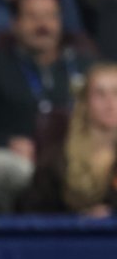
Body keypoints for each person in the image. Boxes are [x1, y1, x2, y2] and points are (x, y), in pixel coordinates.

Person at [0, 0, 91, 213]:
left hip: (81, 163)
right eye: (32, 17)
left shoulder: (85, 66)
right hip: (22, 165)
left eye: (50, 16)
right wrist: (7, 143)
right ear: (15, 24)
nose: (43, 25)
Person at [21, 61, 117, 214]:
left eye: (116, 93)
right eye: (100, 94)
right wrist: (81, 218)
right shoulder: (56, 160)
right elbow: (33, 215)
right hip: (68, 236)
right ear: (85, 102)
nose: (110, 102)